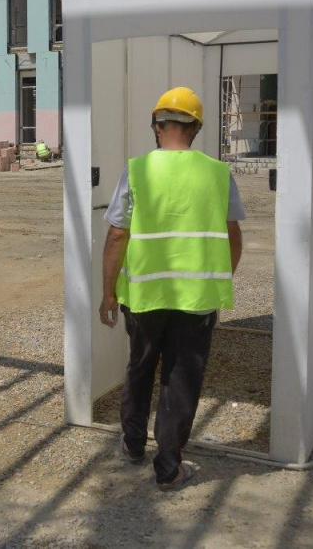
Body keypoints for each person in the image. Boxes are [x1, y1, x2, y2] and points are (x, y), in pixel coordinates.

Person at [98, 86, 244, 492]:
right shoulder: (217, 174)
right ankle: (168, 468)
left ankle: (131, 446)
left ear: (156, 125)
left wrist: (108, 293)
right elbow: (233, 237)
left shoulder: (137, 170)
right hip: (196, 301)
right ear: (196, 128)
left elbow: (115, 236)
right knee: (182, 378)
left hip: (144, 298)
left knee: (140, 367)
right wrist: (217, 279)